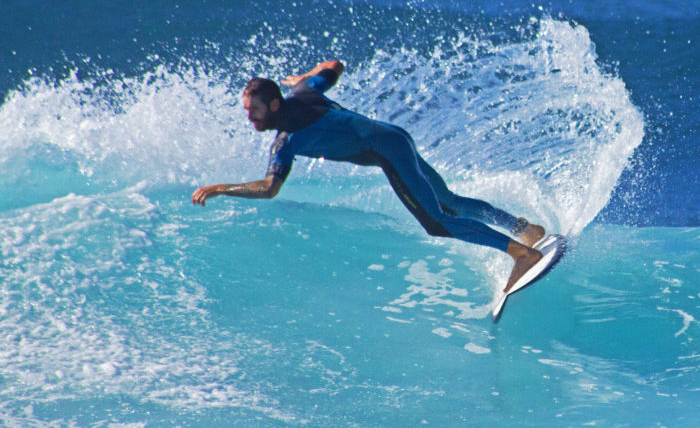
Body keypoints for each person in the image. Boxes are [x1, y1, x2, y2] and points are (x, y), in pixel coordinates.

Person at [192, 60, 546, 292]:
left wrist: (223, 188)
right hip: (396, 136)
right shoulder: (303, 92)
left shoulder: (286, 141)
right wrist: (306, 76)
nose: (250, 119)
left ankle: (520, 253)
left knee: (437, 222)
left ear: (272, 104)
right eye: (246, 112)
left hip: (387, 151)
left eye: (254, 111)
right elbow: (334, 65)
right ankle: (524, 230)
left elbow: (269, 189)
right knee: (449, 202)